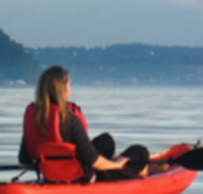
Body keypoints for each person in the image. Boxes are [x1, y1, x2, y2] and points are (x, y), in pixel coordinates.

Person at [18, 66, 149, 182]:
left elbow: (24, 162)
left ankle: (115, 164)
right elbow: (94, 162)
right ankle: (137, 175)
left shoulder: (34, 119)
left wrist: (46, 164)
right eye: (69, 84)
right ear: (62, 89)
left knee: (106, 140)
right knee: (140, 152)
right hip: (81, 176)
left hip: (50, 175)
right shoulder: (70, 120)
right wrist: (117, 165)